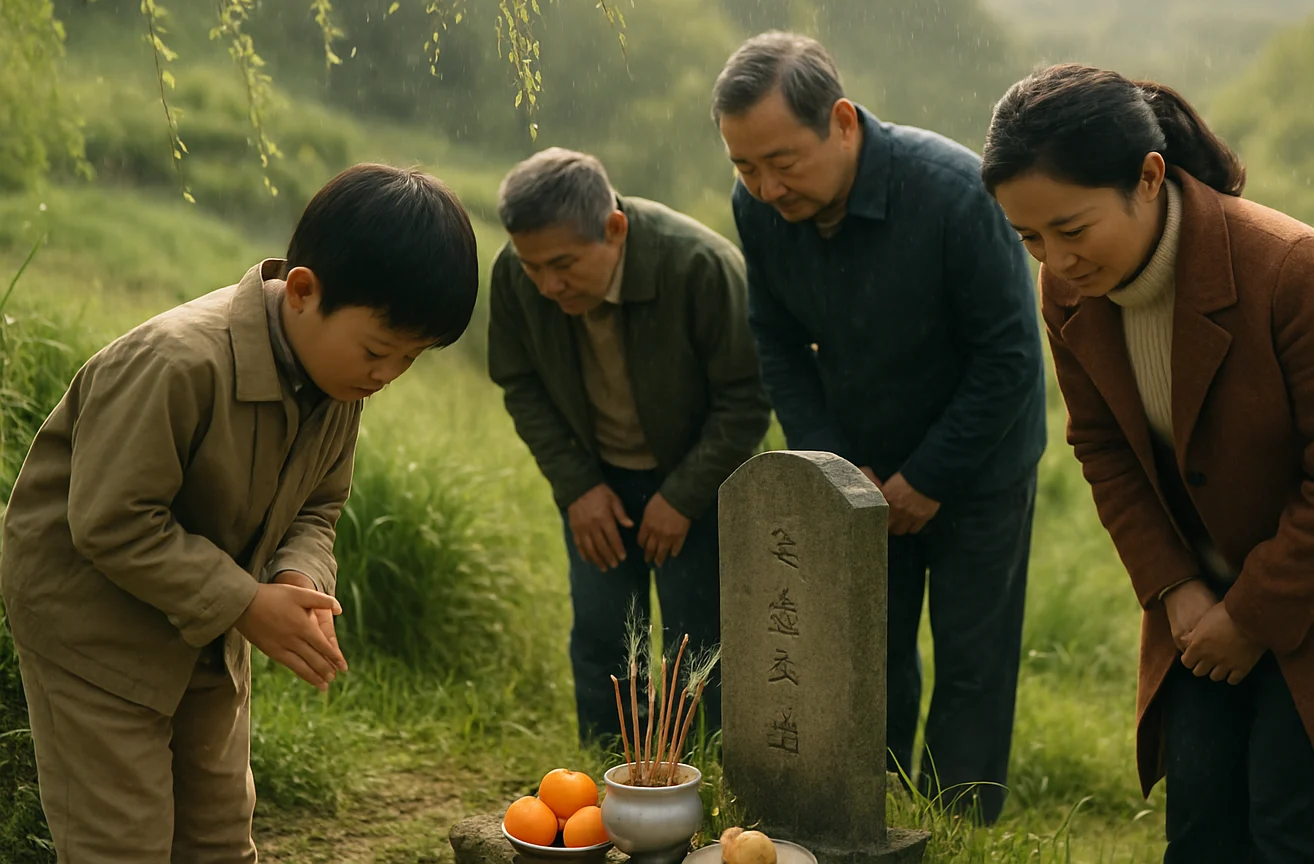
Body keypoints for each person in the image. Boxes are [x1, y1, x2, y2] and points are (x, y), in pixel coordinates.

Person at [981, 63, 1314, 860]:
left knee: (1294, 831)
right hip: (1205, 588)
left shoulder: (1293, 268)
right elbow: (1103, 447)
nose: (1054, 260)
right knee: (1201, 826)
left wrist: (1250, 617)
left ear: (1149, 178)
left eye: (1072, 229)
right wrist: (1176, 588)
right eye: (1029, 239)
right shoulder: (1070, 292)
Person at [0, 164, 480, 863]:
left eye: (409, 360)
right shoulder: (177, 363)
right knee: (123, 840)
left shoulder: (337, 382)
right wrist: (247, 602)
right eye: (378, 350)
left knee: (220, 835)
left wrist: (293, 580)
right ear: (305, 292)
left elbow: (318, 505)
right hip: (93, 630)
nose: (384, 376)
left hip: (205, 625)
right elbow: (111, 521)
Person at [716, 32, 1047, 823]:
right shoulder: (758, 210)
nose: (764, 187)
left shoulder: (956, 192)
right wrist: (838, 471)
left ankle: (959, 825)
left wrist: (926, 479)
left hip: (978, 469)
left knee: (972, 661)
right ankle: (866, 816)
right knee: (866, 654)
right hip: (856, 469)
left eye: (782, 161)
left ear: (840, 121)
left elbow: (1007, 359)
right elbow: (779, 344)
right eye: (743, 166)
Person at [487, 148, 770, 742]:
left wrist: (684, 498)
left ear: (615, 228)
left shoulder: (701, 266)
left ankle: (710, 779)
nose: (547, 284)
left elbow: (746, 400)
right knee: (603, 634)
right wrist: (577, 487)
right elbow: (520, 384)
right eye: (533, 266)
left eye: (563, 264)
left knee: (700, 642)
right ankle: (612, 776)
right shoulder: (519, 276)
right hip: (597, 484)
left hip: (699, 479)